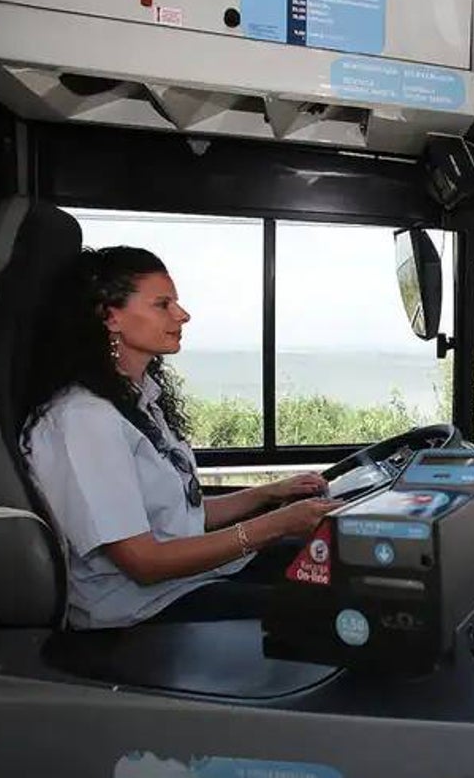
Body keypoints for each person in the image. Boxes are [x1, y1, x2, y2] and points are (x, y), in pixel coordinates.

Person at [21, 246, 341, 630]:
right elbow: (145, 562)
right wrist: (277, 525)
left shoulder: (137, 402)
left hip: (185, 582)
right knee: (325, 607)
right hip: (141, 610)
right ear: (111, 317)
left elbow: (179, 517)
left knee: (336, 566)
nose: (182, 315)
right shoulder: (84, 420)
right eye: (163, 304)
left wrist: (269, 494)